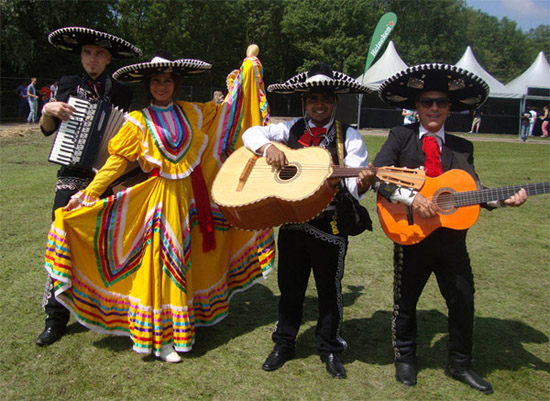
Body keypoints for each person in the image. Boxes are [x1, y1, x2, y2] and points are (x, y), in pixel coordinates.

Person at [43, 47, 275, 362]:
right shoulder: (138, 121)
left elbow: (229, 114)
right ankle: (159, 339)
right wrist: (89, 194)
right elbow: (115, 163)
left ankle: (180, 331)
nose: (162, 86)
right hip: (156, 202)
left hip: (189, 203)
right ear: (148, 85)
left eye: (167, 80)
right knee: (159, 266)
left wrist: (246, 73)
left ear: (176, 83)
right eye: (156, 81)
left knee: (181, 265)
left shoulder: (193, 113)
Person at [373, 64, 527, 395]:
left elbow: (472, 189)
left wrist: (502, 200)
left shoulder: (462, 147)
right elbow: (380, 177)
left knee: (463, 299)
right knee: (406, 300)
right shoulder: (401, 137)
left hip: (453, 241)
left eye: (441, 102)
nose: (433, 108)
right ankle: (406, 359)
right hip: (411, 235)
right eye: (427, 102)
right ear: (416, 106)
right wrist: (413, 199)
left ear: (449, 108)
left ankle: (459, 363)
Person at [242, 63, 375, 378]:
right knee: (289, 288)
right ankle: (284, 343)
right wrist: (269, 147)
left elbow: (355, 188)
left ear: (334, 102)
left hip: (329, 225)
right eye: (313, 98)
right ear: (305, 102)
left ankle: (330, 348)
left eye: (325, 98)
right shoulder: (289, 128)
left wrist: (366, 182)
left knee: (330, 290)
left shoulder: (349, 136)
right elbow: (251, 133)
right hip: (291, 223)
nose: (319, 104)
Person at [36, 26, 142, 347]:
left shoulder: (122, 92)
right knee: (62, 241)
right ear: (80, 56)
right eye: (87, 53)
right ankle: (55, 317)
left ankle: (100, 309)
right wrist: (48, 109)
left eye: (98, 54)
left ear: (108, 58)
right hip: (72, 174)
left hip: (106, 180)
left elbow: (130, 132)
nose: (92, 59)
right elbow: (47, 129)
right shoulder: (68, 85)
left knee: (105, 245)